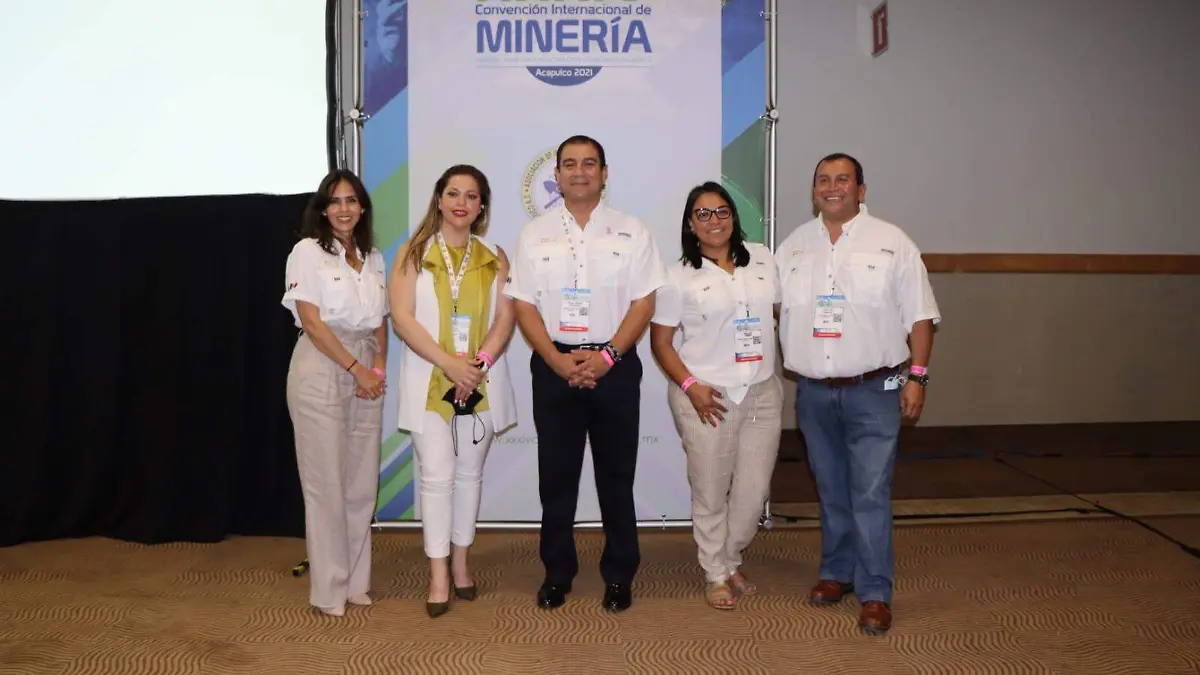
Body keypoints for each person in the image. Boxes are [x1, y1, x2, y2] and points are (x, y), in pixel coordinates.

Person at [775, 153, 940, 635]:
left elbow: (921, 317)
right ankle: (837, 573)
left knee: (869, 492)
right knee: (830, 489)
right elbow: (774, 309)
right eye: (823, 180)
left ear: (861, 190)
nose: (832, 187)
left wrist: (918, 377)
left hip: (875, 390)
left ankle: (874, 592)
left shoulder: (892, 242)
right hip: (813, 392)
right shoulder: (793, 247)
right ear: (814, 191)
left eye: (842, 180)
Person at [505, 135, 667, 613]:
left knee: (616, 477)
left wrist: (609, 356)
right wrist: (555, 361)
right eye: (570, 164)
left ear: (604, 172)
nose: (580, 172)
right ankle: (557, 574)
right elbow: (523, 304)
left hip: (615, 366)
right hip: (554, 365)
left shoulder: (632, 230)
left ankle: (619, 574)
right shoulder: (534, 234)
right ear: (556, 175)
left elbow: (644, 303)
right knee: (557, 479)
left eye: (589, 163)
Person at [388, 164, 517, 618]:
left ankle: (461, 562)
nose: (462, 202)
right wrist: (449, 364)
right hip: (431, 380)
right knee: (436, 478)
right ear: (439, 200)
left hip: (479, 382)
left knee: (469, 476)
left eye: (472, 195)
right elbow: (402, 317)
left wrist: (476, 367)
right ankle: (438, 573)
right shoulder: (413, 252)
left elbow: (505, 318)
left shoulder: (495, 256)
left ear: (482, 206)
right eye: (454, 193)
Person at [649, 182, 783, 610]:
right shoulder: (677, 276)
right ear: (691, 224)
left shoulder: (762, 258)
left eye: (722, 211)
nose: (714, 220)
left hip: (762, 391)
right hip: (706, 397)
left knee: (753, 492)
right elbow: (661, 343)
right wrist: (692, 388)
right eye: (703, 214)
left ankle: (729, 557)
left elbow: (784, 313)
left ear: (733, 217)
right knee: (710, 490)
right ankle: (716, 572)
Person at [283, 169, 389, 618]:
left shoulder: (373, 256)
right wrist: (356, 370)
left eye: (351, 200)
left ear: (362, 207)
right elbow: (312, 321)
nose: (344, 208)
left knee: (361, 485)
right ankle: (329, 590)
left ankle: (355, 583)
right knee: (326, 484)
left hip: (366, 367)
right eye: (335, 201)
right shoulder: (307, 252)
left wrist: (376, 370)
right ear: (323, 209)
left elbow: (380, 322)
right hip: (322, 366)